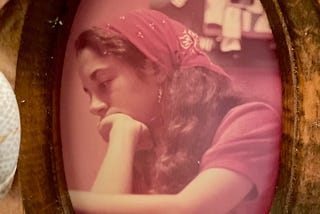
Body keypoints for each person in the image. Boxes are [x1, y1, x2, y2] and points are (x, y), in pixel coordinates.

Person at [69, 9, 281, 214]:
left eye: (104, 83)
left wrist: (57, 197)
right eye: (89, 93)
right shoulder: (141, 143)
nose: (94, 106)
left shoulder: (253, 123)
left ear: (156, 69)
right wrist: (123, 134)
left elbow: (190, 210)